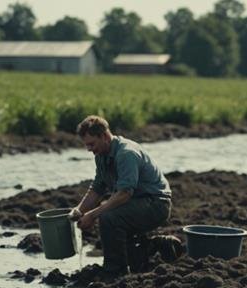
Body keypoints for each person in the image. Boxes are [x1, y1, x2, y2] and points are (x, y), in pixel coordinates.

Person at [70, 115, 173, 277]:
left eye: (91, 144)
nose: (89, 149)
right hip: (137, 202)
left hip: (156, 204)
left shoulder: (126, 153)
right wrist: (78, 210)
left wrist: (92, 215)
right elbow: (97, 188)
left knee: (109, 217)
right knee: (109, 212)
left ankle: (114, 270)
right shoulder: (101, 155)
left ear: (104, 136)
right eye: (86, 145)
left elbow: (124, 194)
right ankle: (153, 246)